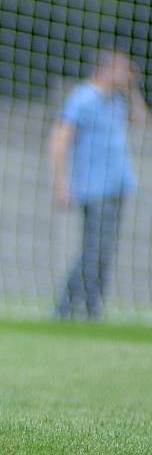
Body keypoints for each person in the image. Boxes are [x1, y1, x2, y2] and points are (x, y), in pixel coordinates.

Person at [49, 49, 147, 321]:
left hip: (118, 185)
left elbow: (141, 120)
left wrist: (131, 90)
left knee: (105, 252)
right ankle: (66, 306)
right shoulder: (84, 98)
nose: (126, 75)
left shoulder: (117, 100)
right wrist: (60, 183)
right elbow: (59, 140)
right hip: (94, 188)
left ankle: (92, 308)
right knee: (92, 250)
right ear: (105, 69)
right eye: (122, 69)